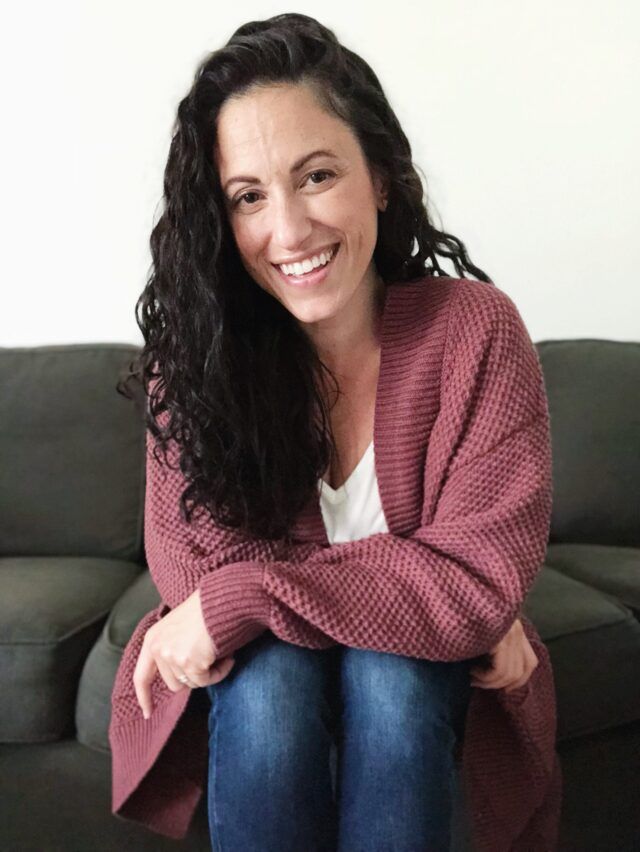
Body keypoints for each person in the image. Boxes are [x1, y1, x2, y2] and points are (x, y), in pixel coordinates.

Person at [109, 12, 562, 852]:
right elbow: (191, 571)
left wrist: (253, 595)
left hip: (428, 683)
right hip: (262, 689)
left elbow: (476, 578)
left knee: (390, 670)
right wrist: (434, 591)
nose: (288, 231)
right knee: (274, 682)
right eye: (248, 196)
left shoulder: (477, 332)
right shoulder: (195, 363)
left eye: (316, 176)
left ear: (380, 178)